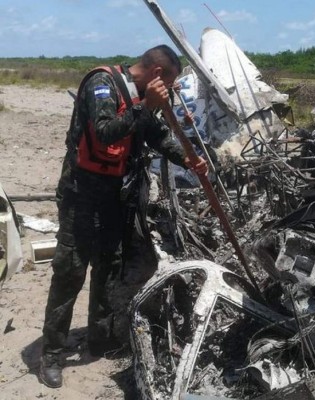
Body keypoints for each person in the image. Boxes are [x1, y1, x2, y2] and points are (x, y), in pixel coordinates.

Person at [40, 45, 207, 388]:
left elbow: (154, 134)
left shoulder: (139, 99)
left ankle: (99, 338)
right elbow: (104, 131)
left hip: (114, 196)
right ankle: (52, 355)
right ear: (157, 74)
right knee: (70, 270)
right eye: (169, 82)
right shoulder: (102, 84)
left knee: (108, 266)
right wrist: (146, 106)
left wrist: (186, 158)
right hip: (80, 195)